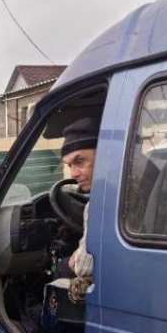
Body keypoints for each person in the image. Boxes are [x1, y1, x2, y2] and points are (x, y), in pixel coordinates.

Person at [59, 117, 99, 279]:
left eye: (80, 161)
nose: (73, 174)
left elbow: (83, 266)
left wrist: (70, 260)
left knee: (61, 268)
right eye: (70, 165)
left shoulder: (102, 203)